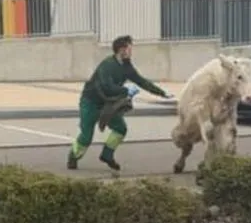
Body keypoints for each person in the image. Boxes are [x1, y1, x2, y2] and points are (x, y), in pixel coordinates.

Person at [67, 35, 173, 171]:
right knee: (86, 136)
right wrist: (126, 90)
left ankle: (107, 155)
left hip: (108, 104)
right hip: (91, 102)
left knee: (120, 129)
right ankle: (74, 156)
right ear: (122, 50)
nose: (131, 51)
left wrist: (162, 93)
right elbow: (107, 86)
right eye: (129, 48)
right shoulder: (107, 65)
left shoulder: (127, 67)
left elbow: (142, 81)